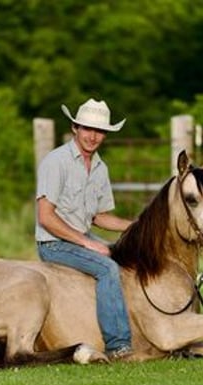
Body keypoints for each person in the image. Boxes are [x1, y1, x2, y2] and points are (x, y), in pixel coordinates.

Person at [35, 98, 134, 359]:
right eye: (87, 129)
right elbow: (46, 217)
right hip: (54, 243)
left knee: (127, 260)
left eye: (99, 131)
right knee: (107, 267)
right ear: (74, 128)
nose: (93, 136)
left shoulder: (100, 168)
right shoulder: (56, 162)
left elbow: (100, 217)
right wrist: (87, 243)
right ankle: (118, 345)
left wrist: (136, 226)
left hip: (81, 237)